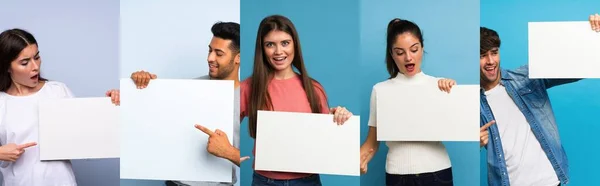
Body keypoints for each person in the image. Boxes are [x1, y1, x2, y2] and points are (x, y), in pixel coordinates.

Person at [479, 14, 600, 186]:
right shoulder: (471, 101)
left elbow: (578, 68)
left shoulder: (526, 77)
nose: (490, 61)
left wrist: (594, 36)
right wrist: (473, 141)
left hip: (550, 181)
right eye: (482, 55)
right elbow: (458, 133)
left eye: (494, 53)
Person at [239, 14, 353, 186]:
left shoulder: (313, 88)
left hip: (308, 180)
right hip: (265, 181)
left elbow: (326, 139)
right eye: (270, 45)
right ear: (262, 48)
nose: (279, 52)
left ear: (295, 45)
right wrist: (230, 153)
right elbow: (223, 124)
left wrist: (339, 117)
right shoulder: (249, 87)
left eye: (285, 43)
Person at [125, 22, 242, 186]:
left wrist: (228, 152)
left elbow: (265, 161)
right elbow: (146, 120)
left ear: (238, 57)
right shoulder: (186, 88)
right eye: (209, 50)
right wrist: (139, 85)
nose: (210, 58)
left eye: (219, 53)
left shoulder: (250, 98)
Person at [0, 28, 118, 186]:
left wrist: (112, 106)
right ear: (7, 67)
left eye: (37, 57)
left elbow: (88, 136)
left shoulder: (57, 91)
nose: (35, 66)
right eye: (25, 62)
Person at [358, 18, 457, 186]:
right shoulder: (380, 91)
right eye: (400, 52)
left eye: (414, 49)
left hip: (437, 173)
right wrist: (355, 160)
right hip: (398, 177)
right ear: (391, 54)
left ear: (422, 48)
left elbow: (459, 125)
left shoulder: (439, 85)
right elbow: (371, 142)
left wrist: (453, 92)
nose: (408, 57)